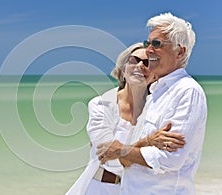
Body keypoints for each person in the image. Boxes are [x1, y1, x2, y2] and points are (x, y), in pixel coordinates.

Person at [97, 12, 207, 194]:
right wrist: (146, 142)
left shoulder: (187, 91)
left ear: (180, 52)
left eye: (157, 44)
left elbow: (170, 159)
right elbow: (124, 160)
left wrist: (120, 150)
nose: (148, 49)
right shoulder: (155, 93)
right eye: (148, 43)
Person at [66, 42, 186, 195]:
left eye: (148, 62)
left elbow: (164, 156)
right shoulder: (101, 105)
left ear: (155, 74)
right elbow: (110, 160)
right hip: (99, 187)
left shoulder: (157, 108)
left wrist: (123, 151)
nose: (141, 65)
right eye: (135, 60)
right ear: (123, 69)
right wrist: (147, 142)